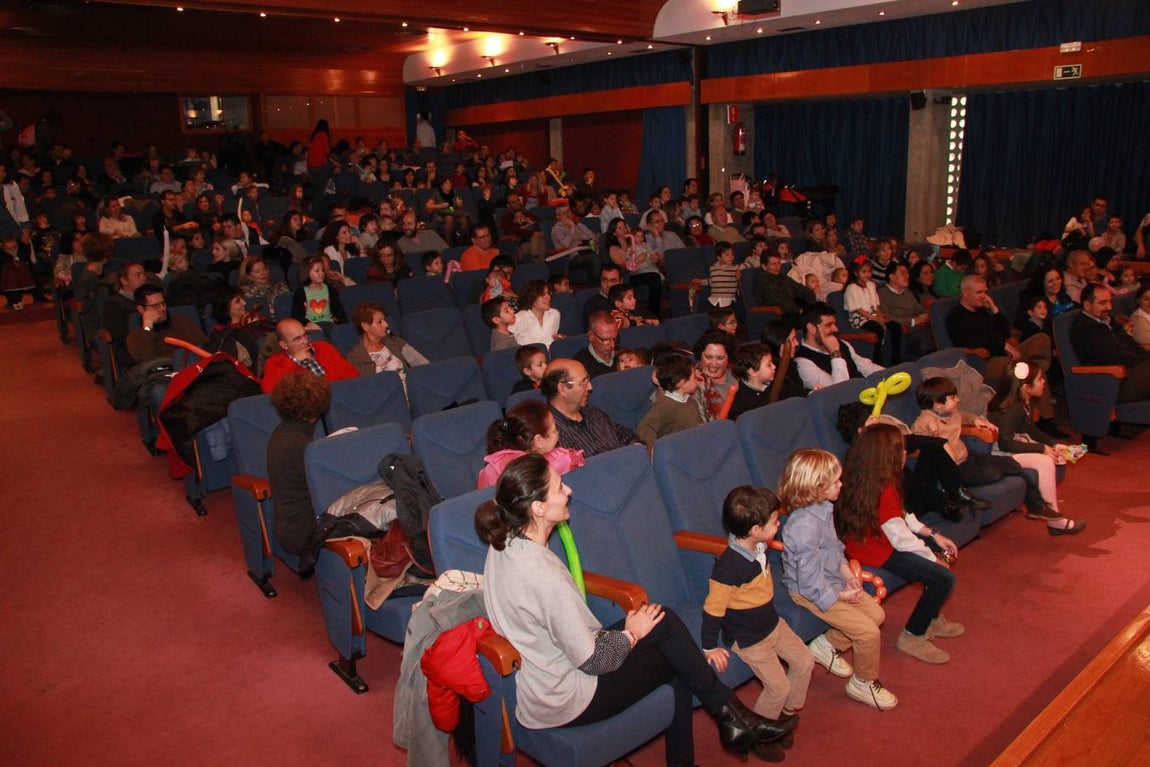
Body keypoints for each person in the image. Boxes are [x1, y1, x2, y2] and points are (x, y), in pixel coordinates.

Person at [476, 455, 795, 766]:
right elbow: (594, 661)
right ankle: (731, 719)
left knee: (666, 628)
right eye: (560, 488)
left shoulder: (503, 542)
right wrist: (632, 634)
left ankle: (732, 717)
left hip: (545, 678)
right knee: (671, 645)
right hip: (569, 696)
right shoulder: (543, 575)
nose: (569, 491)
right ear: (538, 508)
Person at [777, 449, 897, 711]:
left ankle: (825, 645)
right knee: (867, 632)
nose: (841, 485)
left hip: (831, 580)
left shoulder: (823, 509)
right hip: (810, 592)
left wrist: (845, 574)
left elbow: (834, 548)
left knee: (876, 615)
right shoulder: (802, 527)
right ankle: (863, 682)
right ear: (817, 488)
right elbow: (809, 582)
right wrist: (839, 596)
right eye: (835, 482)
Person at [837, 424, 964, 664]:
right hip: (875, 549)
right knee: (943, 577)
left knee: (937, 567)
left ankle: (932, 619)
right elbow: (900, 538)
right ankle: (913, 636)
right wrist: (932, 557)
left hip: (873, 540)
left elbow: (901, 515)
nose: (906, 454)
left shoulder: (869, 477)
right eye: (901, 450)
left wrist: (932, 534)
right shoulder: (883, 488)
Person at [912, 376, 1066, 527]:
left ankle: (1037, 506)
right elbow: (919, 444)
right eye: (952, 397)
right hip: (955, 469)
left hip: (969, 458)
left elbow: (965, 415)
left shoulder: (952, 413)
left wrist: (976, 420)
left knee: (1013, 465)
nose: (958, 400)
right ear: (937, 405)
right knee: (992, 472)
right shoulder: (924, 422)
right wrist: (931, 433)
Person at [987, 361, 1085, 534]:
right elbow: (1005, 443)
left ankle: (1046, 506)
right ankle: (1054, 520)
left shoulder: (1023, 402)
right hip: (1000, 453)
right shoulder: (1013, 409)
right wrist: (1041, 449)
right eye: (1040, 379)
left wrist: (1054, 444)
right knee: (1046, 461)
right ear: (1026, 387)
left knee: (1059, 455)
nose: (1044, 382)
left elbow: (1030, 429)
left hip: (1014, 445)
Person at [267, 371, 330, 555]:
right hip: (301, 529)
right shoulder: (300, 445)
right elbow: (325, 488)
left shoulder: (285, 431)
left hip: (291, 520)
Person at [476, 399, 584, 489]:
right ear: (538, 441)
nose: (558, 434)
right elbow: (566, 459)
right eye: (554, 431)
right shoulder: (529, 467)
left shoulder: (495, 463)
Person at [1071, 284, 1150, 404]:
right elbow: (1112, 357)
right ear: (1087, 305)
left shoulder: (1108, 320)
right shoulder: (1085, 328)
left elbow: (1131, 343)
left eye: (1110, 302)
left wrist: (1145, 357)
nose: (1109, 307)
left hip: (1131, 370)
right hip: (1113, 381)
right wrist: (1142, 360)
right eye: (1103, 303)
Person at [543, 359, 638, 457]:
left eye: (588, 380)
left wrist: (636, 444)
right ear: (563, 388)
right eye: (583, 382)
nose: (590, 387)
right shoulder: (551, 433)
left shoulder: (591, 411)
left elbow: (620, 433)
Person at [794, 303, 883, 391]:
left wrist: (891, 375)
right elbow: (839, 391)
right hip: (848, 402)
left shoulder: (841, 343)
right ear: (811, 328)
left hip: (866, 394)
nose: (835, 329)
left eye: (834, 324)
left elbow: (864, 366)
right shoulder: (802, 363)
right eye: (828, 325)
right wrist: (835, 353)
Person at [261, 318, 359, 393]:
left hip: (337, 398)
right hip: (307, 409)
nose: (305, 341)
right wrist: (294, 360)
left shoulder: (323, 347)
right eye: (297, 339)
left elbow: (351, 373)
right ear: (284, 345)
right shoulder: (275, 362)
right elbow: (269, 390)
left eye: (305, 335)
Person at [345, 301, 428, 378]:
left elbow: (422, 364)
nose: (386, 324)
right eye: (380, 322)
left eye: (384, 320)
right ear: (365, 326)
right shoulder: (355, 358)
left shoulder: (395, 341)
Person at [636, 355, 704, 450]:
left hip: (692, 447)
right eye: (694, 377)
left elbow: (697, 422)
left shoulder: (691, 401)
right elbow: (645, 427)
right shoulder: (664, 405)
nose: (697, 380)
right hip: (674, 452)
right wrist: (654, 448)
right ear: (683, 383)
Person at [844, 260, 901, 364]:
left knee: (895, 326)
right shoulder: (851, 288)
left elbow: (875, 305)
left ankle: (896, 357)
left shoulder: (871, 285)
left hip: (873, 314)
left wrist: (881, 316)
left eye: (869, 271)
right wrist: (875, 318)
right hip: (859, 317)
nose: (867, 274)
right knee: (877, 328)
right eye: (864, 271)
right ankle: (876, 359)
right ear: (856, 273)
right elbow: (858, 309)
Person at [879, 262, 933, 358]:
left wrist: (925, 314)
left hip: (917, 329)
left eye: (907, 273)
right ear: (892, 277)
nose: (907, 276)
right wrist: (912, 321)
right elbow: (886, 316)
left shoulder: (907, 292)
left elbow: (918, 307)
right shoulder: (882, 294)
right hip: (902, 332)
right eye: (903, 273)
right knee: (930, 339)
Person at [291, 254, 347, 336]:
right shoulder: (301, 293)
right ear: (307, 272)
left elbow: (339, 310)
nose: (322, 273)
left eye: (323, 270)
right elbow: (296, 316)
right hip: (311, 325)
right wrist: (308, 324)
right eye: (317, 271)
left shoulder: (330, 289)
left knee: (338, 334)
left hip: (328, 323)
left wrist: (344, 326)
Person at [727, 343, 778, 421]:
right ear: (752, 371)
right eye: (769, 365)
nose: (774, 367)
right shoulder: (741, 402)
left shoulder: (776, 386)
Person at [694, 330, 737, 421]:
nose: (713, 364)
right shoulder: (690, 383)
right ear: (700, 356)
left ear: (728, 358)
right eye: (708, 357)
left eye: (720, 358)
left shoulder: (736, 376)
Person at [510, 279, 561, 349]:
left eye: (548, 293)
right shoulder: (519, 318)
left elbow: (552, 339)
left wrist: (558, 340)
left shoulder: (554, 314)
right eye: (543, 295)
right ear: (531, 298)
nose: (548, 297)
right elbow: (507, 342)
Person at [238, 255, 290, 322]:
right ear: (248, 276)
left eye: (265, 269)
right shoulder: (244, 293)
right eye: (257, 271)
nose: (263, 273)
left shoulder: (280, 286)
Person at [575, 310, 620, 378]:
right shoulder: (580, 366)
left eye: (614, 338)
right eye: (605, 340)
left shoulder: (624, 355)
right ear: (591, 336)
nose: (612, 345)